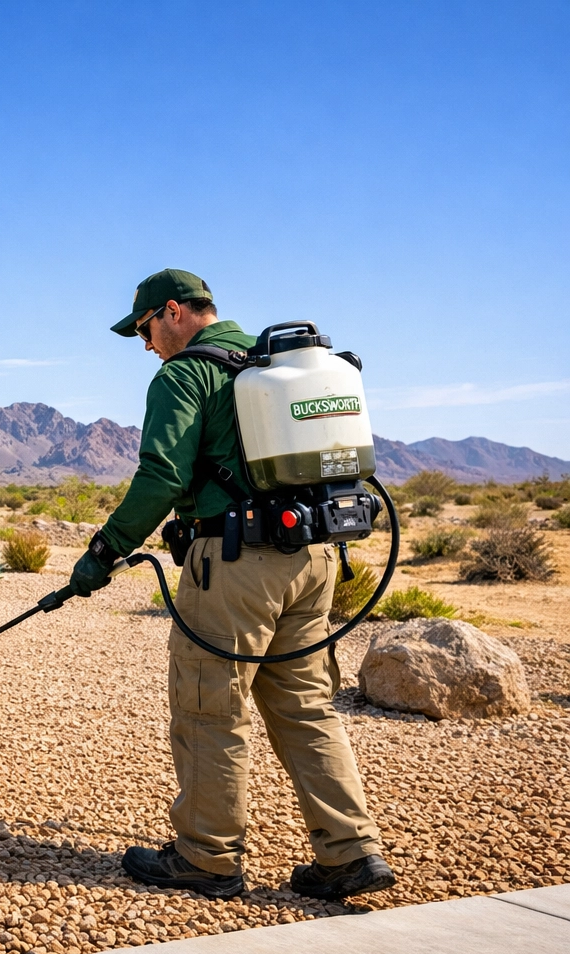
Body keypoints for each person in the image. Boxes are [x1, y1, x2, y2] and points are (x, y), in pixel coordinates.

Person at [67, 269, 395, 901]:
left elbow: (161, 477)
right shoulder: (274, 365)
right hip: (314, 558)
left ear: (171, 313)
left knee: (209, 704)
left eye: (143, 330)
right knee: (306, 707)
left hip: (233, 562)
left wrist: (103, 551)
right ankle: (350, 851)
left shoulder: (185, 374)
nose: (145, 345)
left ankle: (206, 856)